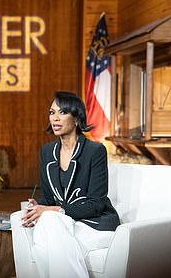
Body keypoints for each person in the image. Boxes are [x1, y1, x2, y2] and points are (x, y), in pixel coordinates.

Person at [20, 91, 120, 277]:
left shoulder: (95, 151)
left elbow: (96, 204)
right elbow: (49, 198)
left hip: (94, 223)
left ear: (76, 118)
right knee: (47, 229)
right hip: (63, 223)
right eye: (52, 112)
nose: (55, 118)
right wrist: (38, 205)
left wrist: (52, 211)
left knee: (47, 234)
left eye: (63, 112)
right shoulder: (46, 151)